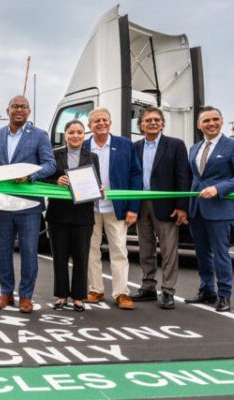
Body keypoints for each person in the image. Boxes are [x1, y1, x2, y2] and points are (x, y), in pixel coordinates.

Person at [0, 95, 56, 313]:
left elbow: (50, 164)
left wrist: (30, 176)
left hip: (29, 207)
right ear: (7, 111)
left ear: (29, 112)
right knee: (3, 252)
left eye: (24, 107)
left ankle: (26, 296)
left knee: (28, 252)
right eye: (15, 106)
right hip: (2, 205)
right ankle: (6, 293)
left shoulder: (39, 135)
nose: (19, 110)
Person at [185, 106, 234, 312]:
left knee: (220, 254)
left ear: (222, 121)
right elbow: (196, 178)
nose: (211, 123)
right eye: (206, 120)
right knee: (202, 252)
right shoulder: (195, 148)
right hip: (197, 208)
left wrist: (218, 188)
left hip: (220, 209)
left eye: (215, 119)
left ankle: (224, 295)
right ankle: (206, 290)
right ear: (199, 125)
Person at [82, 107, 142, 310]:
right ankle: (96, 289)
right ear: (89, 126)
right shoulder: (82, 146)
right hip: (89, 208)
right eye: (96, 121)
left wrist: (133, 208)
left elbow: (135, 176)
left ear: (110, 123)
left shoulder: (124, 145)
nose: (101, 123)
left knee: (119, 250)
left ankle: (121, 293)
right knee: (91, 251)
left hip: (116, 208)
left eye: (104, 120)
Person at [133, 107, 191, 310]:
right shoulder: (136, 147)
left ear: (162, 123)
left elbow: (183, 177)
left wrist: (182, 206)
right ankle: (148, 287)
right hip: (141, 204)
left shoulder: (175, 145)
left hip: (166, 205)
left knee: (168, 251)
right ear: (141, 125)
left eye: (157, 119)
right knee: (145, 249)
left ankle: (168, 291)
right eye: (148, 120)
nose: (152, 123)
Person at [44, 120, 102, 313]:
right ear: (65, 135)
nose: (75, 136)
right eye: (71, 132)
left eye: (79, 132)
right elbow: (43, 180)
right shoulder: (54, 154)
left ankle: (78, 297)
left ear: (84, 135)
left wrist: (100, 188)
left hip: (83, 215)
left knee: (81, 257)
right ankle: (61, 296)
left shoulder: (92, 156)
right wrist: (55, 181)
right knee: (59, 258)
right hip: (58, 214)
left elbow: (97, 182)